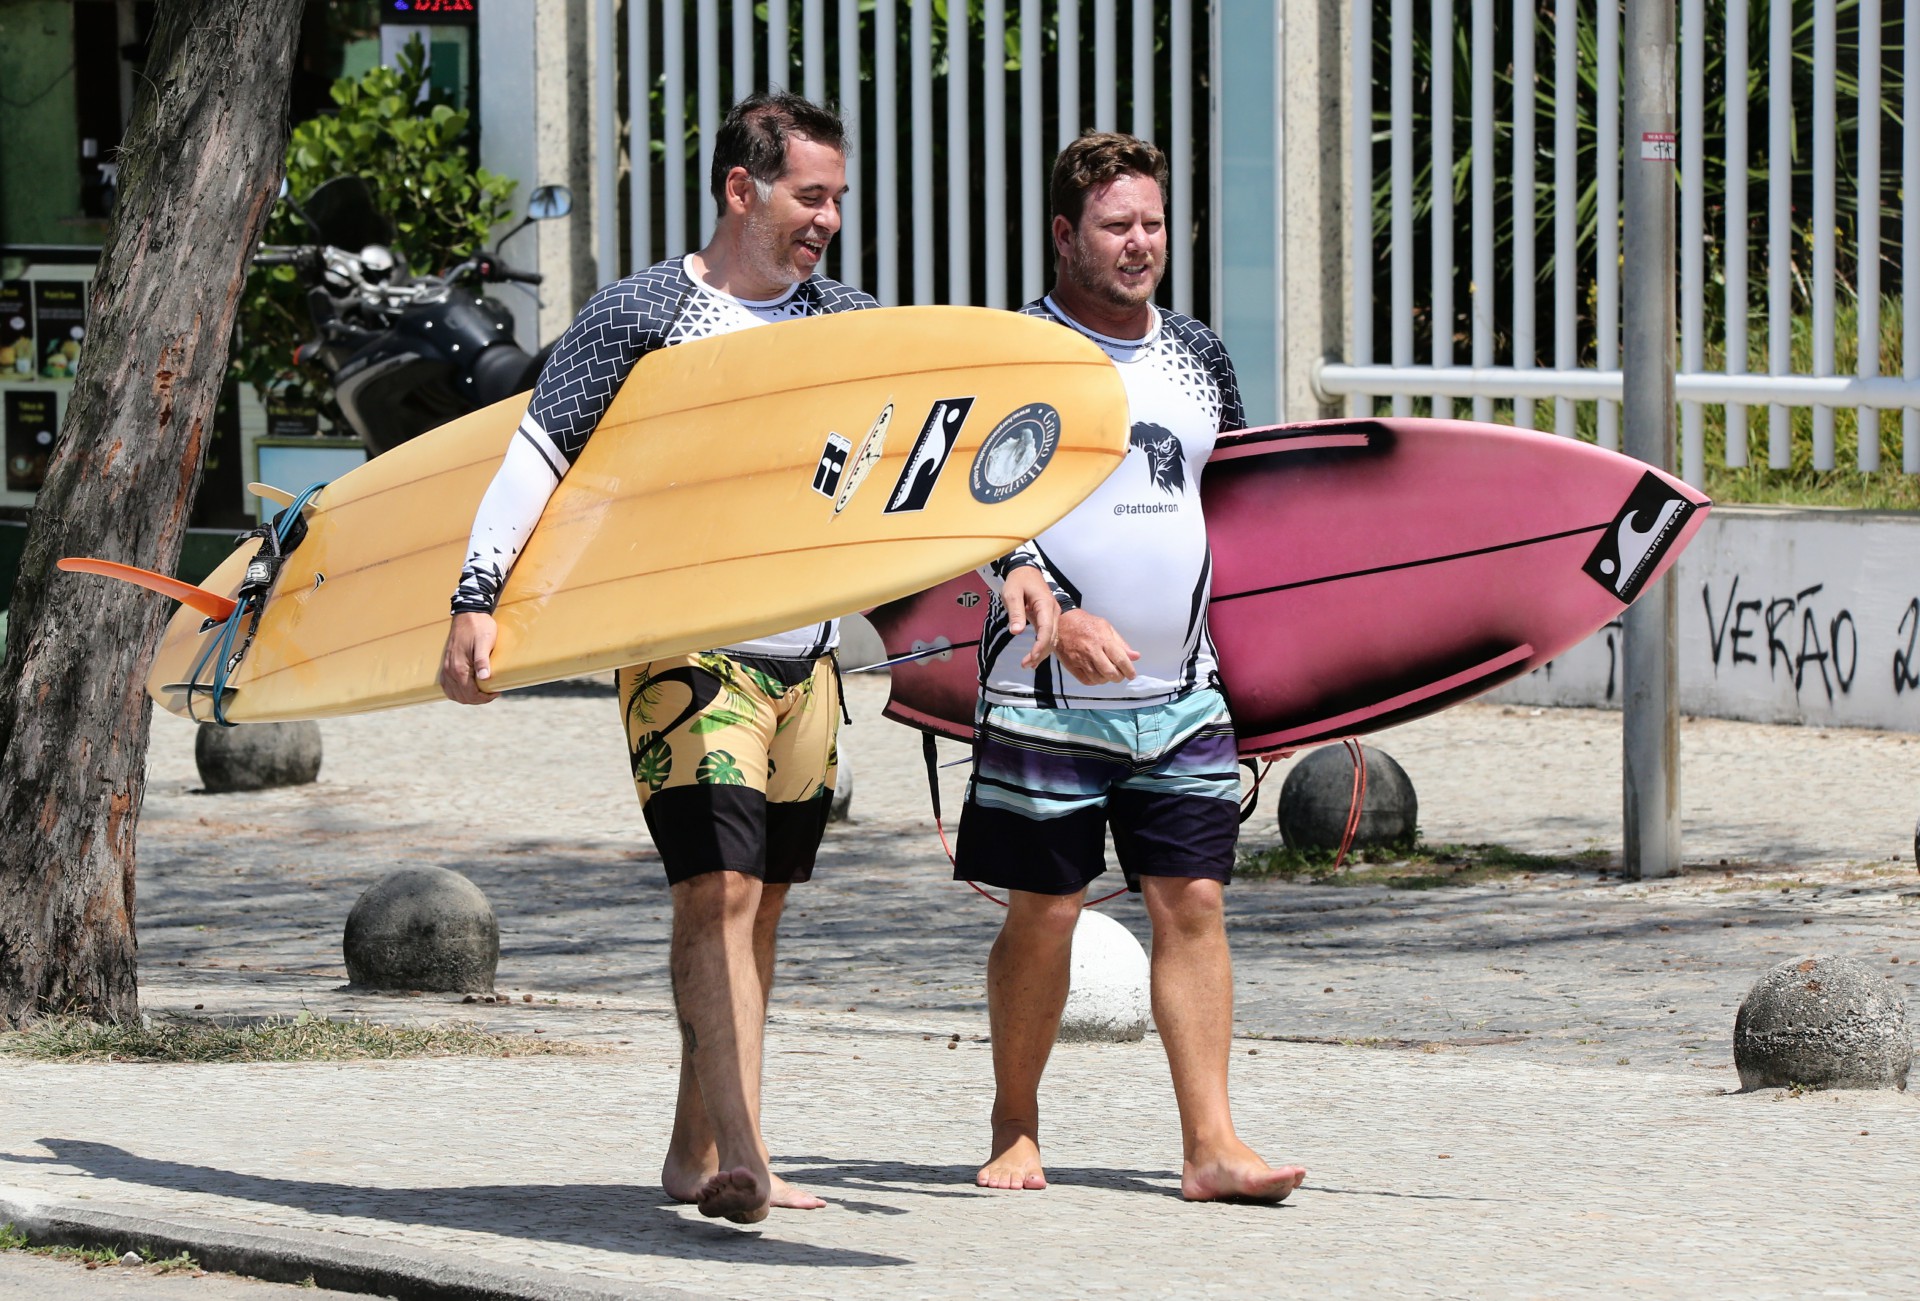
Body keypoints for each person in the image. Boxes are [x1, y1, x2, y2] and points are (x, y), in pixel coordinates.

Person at [438, 93, 1058, 1224]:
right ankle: (751, 1159)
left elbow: (936, 452)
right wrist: (475, 597)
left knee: (761, 905)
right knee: (713, 891)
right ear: (743, 188)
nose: (827, 219)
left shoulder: (846, 322)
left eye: (836, 199)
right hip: (687, 651)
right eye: (809, 196)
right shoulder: (647, 312)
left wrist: (1012, 555)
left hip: (806, 659)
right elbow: (537, 455)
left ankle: (693, 1150)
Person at [955, 132, 1308, 1203]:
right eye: (1117, 226)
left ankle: (1212, 1143)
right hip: (1044, 692)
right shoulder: (1017, 352)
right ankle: (1015, 1121)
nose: (1141, 243)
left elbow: (1235, 513)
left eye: (1153, 222)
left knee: (1194, 897)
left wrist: (1285, 675)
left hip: (1184, 691)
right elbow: (964, 499)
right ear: (1065, 235)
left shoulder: (1197, 354)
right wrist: (1051, 613)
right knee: (1047, 907)